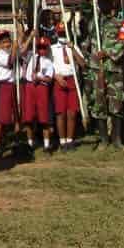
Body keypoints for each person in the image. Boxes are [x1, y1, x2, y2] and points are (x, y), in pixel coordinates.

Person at [84, 0, 124, 151]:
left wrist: (108, 52)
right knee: (99, 104)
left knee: (116, 104)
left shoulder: (120, 23)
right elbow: (83, 4)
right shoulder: (94, 23)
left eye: (107, 2)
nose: (103, 5)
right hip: (97, 70)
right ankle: (104, 140)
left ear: (112, 4)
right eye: (101, 3)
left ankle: (117, 139)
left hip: (114, 68)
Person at [21, 34, 56, 155]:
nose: (41, 50)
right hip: (30, 87)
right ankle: (30, 144)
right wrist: (30, 36)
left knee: (44, 118)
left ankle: (46, 145)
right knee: (29, 117)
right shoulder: (31, 56)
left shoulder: (48, 62)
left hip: (42, 88)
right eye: (40, 47)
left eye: (44, 48)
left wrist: (40, 77)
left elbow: (49, 79)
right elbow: (22, 52)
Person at [51, 19, 82, 150]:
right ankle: (62, 141)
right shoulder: (52, 49)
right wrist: (56, 76)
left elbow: (82, 63)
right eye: (60, 33)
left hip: (72, 79)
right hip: (59, 80)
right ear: (57, 33)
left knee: (72, 112)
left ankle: (70, 140)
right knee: (60, 113)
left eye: (64, 33)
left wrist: (73, 49)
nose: (62, 35)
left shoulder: (73, 46)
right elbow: (47, 67)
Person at [0, 29, 22, 158]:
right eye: (4, 42)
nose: (7, 44)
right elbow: (10, 63)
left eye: (8, 41)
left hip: (14, 85)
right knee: (2, 118)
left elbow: (21, 44)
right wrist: (14, 49)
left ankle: (16, 142)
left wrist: (19, 29)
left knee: (16, 116)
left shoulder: (13, 49)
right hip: (4, 86)